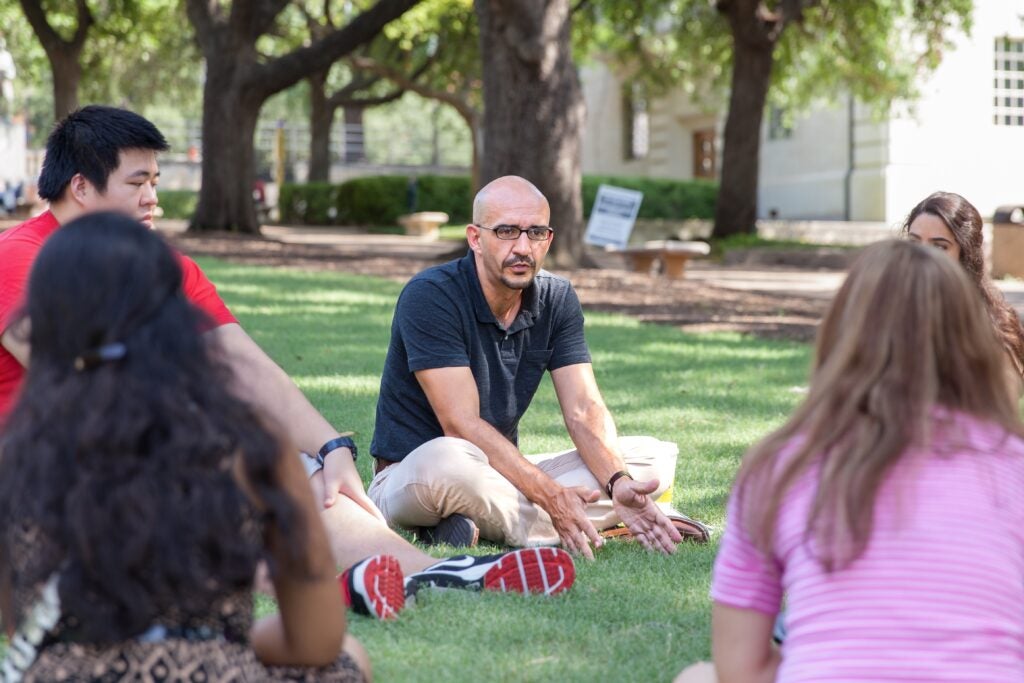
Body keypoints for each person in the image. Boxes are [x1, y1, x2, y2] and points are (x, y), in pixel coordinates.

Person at [0, 106, 575, 620]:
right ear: (81, 186)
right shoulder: (19, 259)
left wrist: (331, 449)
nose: (155, 197)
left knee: (291, 465)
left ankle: (419, 575)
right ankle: (406, 578)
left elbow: (244, 364)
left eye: (155, 180)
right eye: (139, 183)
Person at [0, 214, 370, 681]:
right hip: (214, 670)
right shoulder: (252, 446)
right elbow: (315, 640)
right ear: (175, 316)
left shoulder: (17, 453)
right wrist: (215, 640)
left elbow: (19, 628)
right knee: (348, 658)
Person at [678, 240, 1024, 682]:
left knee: (698, 677)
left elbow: (739, 669)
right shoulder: (1012, 463)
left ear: (843, 333)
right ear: (968, 339)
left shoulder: (779, 467)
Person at [368, 175, 709, 558]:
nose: (523, 247)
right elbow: (460, 425)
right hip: (416, 472)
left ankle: (478, 523)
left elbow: (584, 409)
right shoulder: (431, 296)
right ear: (476, 238)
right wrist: (550, 494)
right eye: (507, 231)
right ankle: (593, 524)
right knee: (450, 461)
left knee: (651, 458)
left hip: (498, 475)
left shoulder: (556, 298)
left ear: (549, 238)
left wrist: (617, 481)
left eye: (536, 233)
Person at [903, 190, 1024, 388]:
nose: (922, 255)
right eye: (914, 242)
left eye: (940, 247)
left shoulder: (994, 329)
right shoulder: (886, 311)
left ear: (965, 256)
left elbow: (1002, 411)